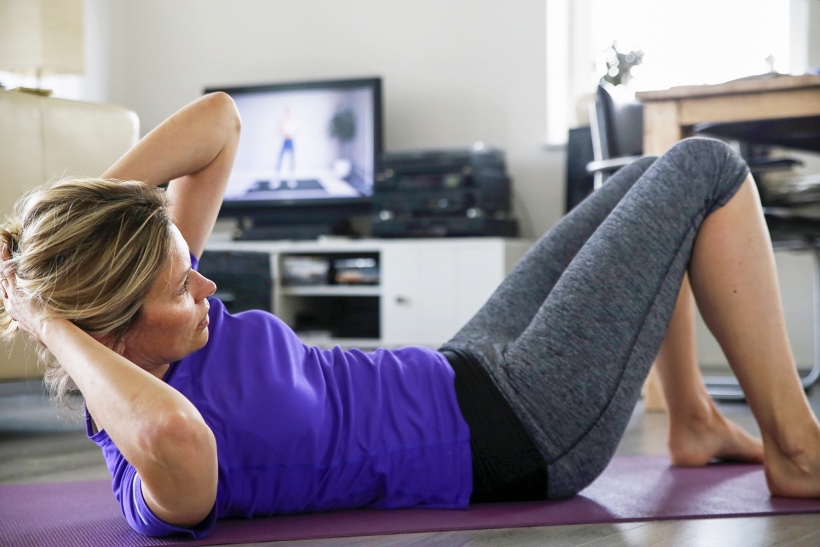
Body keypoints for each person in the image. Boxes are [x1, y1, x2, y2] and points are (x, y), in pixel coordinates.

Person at [1, 93, 819, 539]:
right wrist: (47, 316)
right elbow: (174, 438)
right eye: (182, 289)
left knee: (644, 174)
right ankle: (795, 447)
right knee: (705, 164)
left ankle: (695, 417)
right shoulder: (148, 460)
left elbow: (219, 120)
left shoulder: (173, 320)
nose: (207, 290)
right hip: (526, 430)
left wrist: (88, 226)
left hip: (471, 362)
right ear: (105, 335)